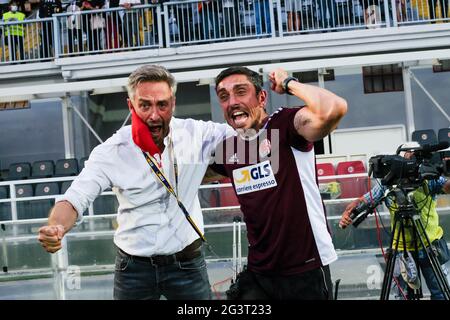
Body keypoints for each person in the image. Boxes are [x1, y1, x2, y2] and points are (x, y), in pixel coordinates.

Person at [37, 64, 233, 300]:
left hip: (187, 264)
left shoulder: (197, 134)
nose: (154, 115)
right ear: (131, 105)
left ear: (173, 103)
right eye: (144, 105)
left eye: (162, 104)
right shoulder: (112, 151)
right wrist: (57, 226)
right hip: (133, 270)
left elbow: (255, 143)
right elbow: (75, 198)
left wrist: (285, 93)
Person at [211, 66, 348, 299]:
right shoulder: (229, 148)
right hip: (259, 271)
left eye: (240, 92)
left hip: (305, 267)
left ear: (262, 97)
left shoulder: (284, 124)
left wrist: (289, 83)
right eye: (224, 97)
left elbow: (334, 109)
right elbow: (191, 175)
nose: (232, 102)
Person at [339, 142, 450, 300]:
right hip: (401, 249)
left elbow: (447, 186)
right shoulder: (390, 179)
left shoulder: (428, 177)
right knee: (403, 296)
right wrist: (348, 212)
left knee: (440, 294)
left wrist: (439, 171)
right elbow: (368, 199)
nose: (411, 159)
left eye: (414, 154)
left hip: (429, 245)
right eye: (408, 154)